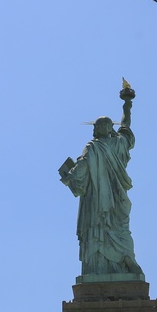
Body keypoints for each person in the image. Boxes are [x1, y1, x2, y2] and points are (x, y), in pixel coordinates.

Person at [58, 80, 143, 279]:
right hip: (105, 199)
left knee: (109, 229)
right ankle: (111, 266)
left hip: (104, 200)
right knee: (117, 229)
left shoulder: (100, 146)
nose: (97, 129)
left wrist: (68, 176)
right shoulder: (107, 145)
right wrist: (127, 104)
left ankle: (109, 265)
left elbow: (80, 169)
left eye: (99, 126)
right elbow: (125, 124)